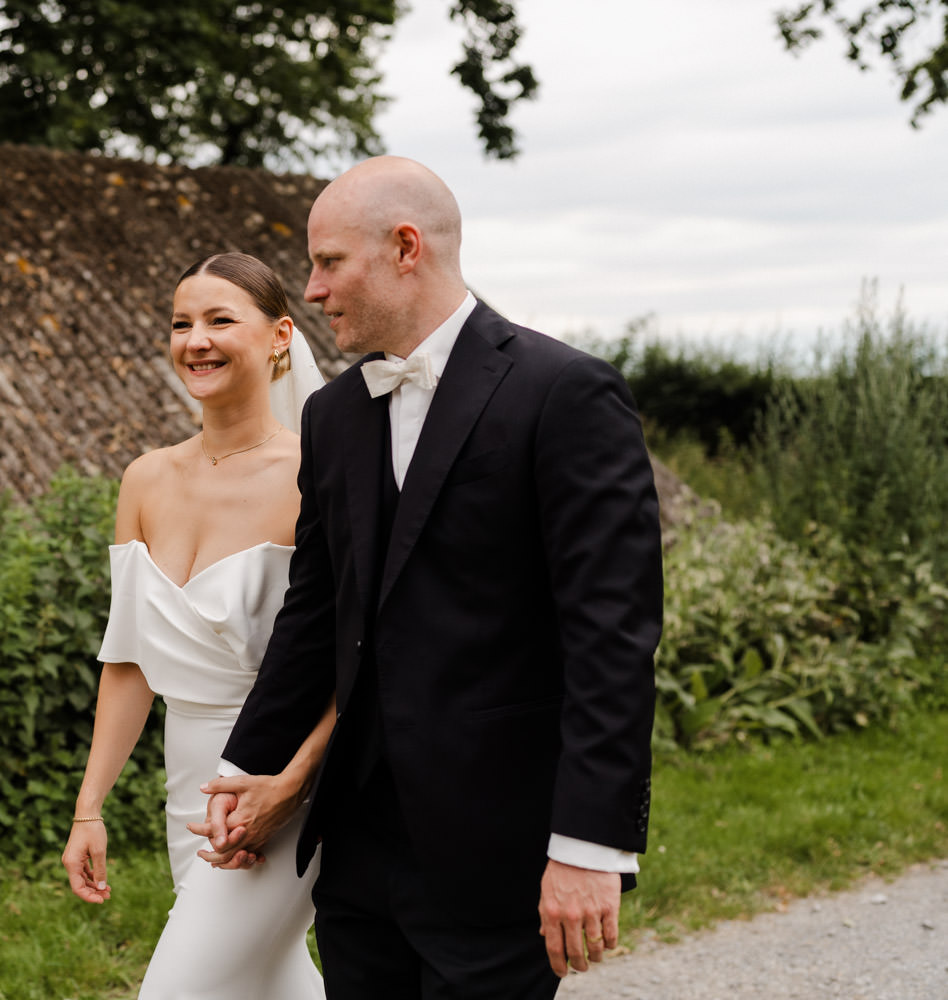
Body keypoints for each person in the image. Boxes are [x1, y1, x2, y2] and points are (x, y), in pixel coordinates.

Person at [197, 156, 664, 998]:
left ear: (405, 247)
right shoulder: (333, 416)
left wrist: (587, 846)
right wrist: (248, 764)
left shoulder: (563, 393)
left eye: (329, 262)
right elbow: (317, 610)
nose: (312, 288)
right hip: (355, 848)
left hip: (499, 849)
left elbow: (612, 638)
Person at [60, 252, 332, 999]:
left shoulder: (318, 475)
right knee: (271, 979)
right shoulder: (146, 478)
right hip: (189, 786)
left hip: (283, 783)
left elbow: (360, 655)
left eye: (220, 320)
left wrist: (288, 782)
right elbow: (129, 660)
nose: (196, 340)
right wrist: (91, 807)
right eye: (182, 323)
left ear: (280, 336)